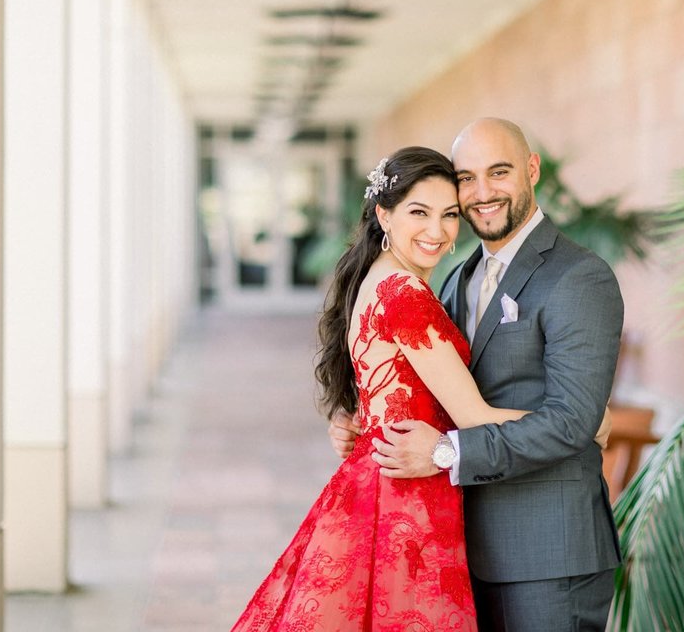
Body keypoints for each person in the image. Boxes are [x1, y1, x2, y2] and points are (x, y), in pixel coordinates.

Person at [331, 118, 625, 631]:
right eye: (466, 178)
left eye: (500, 172)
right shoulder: (457, 276)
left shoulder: (579, 277)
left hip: (547, 555)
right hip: (461, 543)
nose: (482, 193)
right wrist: (369, 419)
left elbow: (572, 420)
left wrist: (444, 451)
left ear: (532, 170)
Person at [231, 146, 532, 632]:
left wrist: (352, 419)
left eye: (449, 215)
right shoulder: (403, 291)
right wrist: (577, 423)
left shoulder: (373, 278)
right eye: (419, 212)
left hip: (377, 479)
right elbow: (474, 415)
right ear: (383, 214)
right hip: (406, 496)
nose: (437, 231)